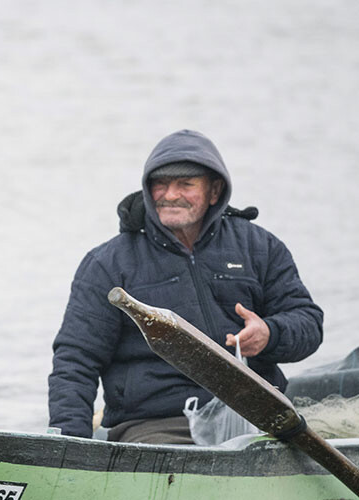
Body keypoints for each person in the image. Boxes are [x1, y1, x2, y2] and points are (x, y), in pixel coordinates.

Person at [48, 129, 323, 444]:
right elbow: (75, 360)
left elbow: (309, 324)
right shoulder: (107, 263)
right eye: (160, 184)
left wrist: (269, 334)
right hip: (157, 425)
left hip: (259, 418)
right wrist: (70, 443)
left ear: (215, 191)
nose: (170, 194)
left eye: (185, 184)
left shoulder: (259, 246)